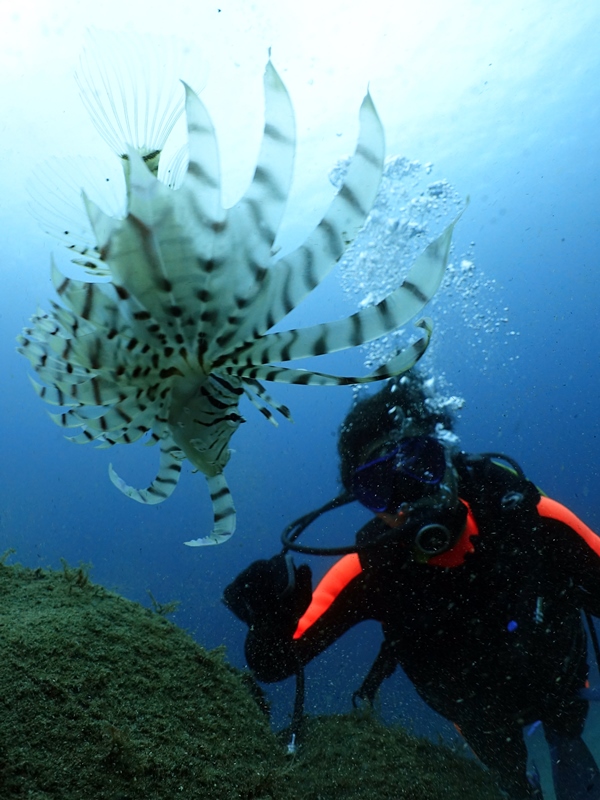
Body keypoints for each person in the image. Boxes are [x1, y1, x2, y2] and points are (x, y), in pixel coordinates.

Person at [223, 370, 600, 799]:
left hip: (562, 686)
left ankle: (565, 744)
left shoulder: (523, 518)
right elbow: (274, 663)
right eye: (378, 486)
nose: (406, 498)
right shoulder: (371, 571)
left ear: (449, 460)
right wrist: (268, 618)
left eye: (421, 465)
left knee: (568, 740)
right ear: (361, 501)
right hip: (477, 717)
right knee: (510, 779)